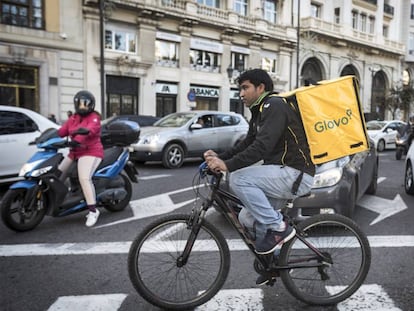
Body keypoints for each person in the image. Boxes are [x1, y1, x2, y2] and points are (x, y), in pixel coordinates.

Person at [203, 69, 315, 285]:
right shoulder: (259, 111)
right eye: (239, 89)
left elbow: (262, 147)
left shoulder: (274, 105)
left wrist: (227, 165)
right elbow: (247, 144)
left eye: (245, 88)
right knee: (247, 217)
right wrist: (220, 157)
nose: (241, 94)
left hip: (295, 173)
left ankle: (279, 228)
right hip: (282, 174)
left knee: (239, 178)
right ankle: (275, 264)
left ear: (260, 87)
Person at [58, 90, 104, 227]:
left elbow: (91, 129)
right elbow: (61, 131)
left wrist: (80, 135)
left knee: (84, 178)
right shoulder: (73, 118)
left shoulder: (94, 117)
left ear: (91, 105)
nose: (82, 106)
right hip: (74, 151)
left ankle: (93, 211)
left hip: (90, 151)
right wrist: (47, 136)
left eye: (85, 104)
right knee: (57, 174)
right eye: (80, 104)